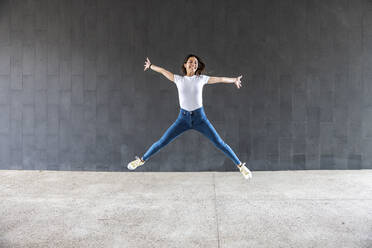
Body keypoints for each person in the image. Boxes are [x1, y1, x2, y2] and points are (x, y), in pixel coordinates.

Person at [127, 54, 252, 179]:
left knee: (220, 143)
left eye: (196, 63)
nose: (194, 64)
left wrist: (234, 80)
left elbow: (220, 79)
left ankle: (241, 166)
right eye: (191, 62)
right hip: (183, 119)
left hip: (200, 119)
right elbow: (163, 71)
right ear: (185, 64)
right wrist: (151, 66)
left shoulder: (201, 79)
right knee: (162, 142)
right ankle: (141, 160)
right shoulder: (178, 79)